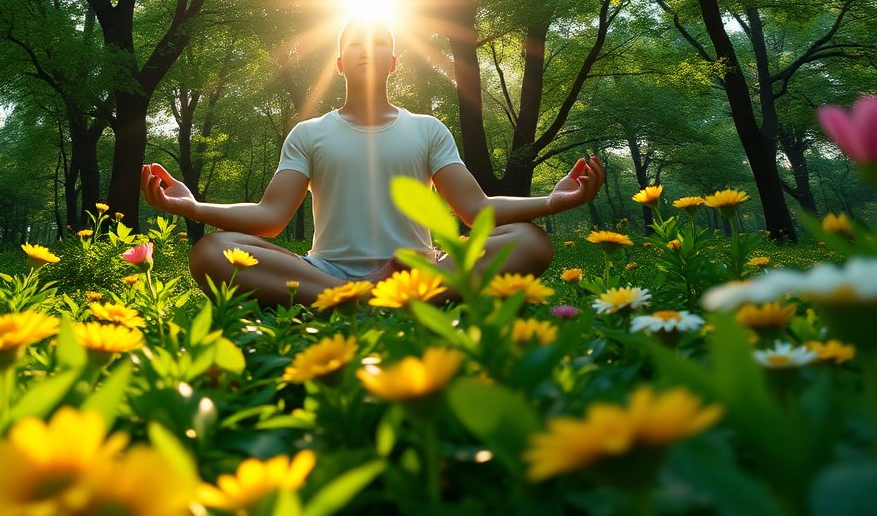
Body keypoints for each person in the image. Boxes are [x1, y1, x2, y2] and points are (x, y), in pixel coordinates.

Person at [141, 17, 603, 306]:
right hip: (327, 272)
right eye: (355, 44)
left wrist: (552, 200)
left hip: (421, 267)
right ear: (340, 63)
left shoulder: (428, 129)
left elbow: (475, 210)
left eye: (379, 42)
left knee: (529, 240)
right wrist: (193, 207)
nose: (366, 49)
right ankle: (364, 296)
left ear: (394, 62)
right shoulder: (309, 134)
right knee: (210, 252)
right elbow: (270, 217)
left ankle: (364, 300)